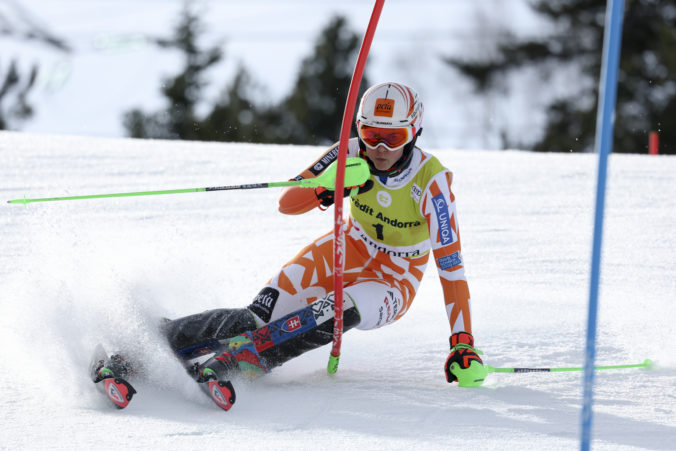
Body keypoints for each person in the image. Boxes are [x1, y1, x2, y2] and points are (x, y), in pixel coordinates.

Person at [94, 82, 486, 410]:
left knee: (336, 310)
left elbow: (452, 268)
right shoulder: (348, 153)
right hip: (346, 247)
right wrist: (327, 188)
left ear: (414, 132)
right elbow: (287, 201)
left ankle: (231, 363)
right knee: (257, 317)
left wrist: (462, 344)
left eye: (393, 137)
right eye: (370, 134)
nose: (380, 147)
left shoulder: (432, 182)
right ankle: (135, 354)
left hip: (393, 278)